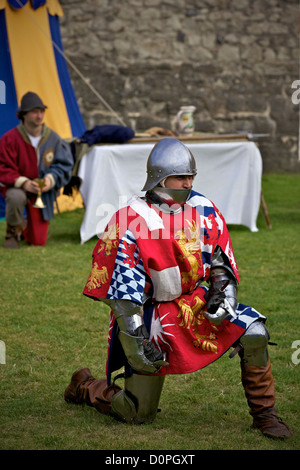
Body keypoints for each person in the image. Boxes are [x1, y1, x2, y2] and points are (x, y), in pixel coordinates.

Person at [64, 138, 292, 439]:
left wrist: (222, 294)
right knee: (137, 414)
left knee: (255, 333)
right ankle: (85, 386)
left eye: (191, 176)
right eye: (181, 177)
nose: (188, 182)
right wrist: (135, 346)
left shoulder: (204, 209)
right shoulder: (130, 220)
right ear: (159, 177)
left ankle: (265, 416)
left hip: (194, 303)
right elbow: (123, 296)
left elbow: (220, 261)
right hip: (150, 315)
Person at [0, 91, 73, 248]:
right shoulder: (10, 138)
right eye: (34, 112)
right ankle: (12, 232)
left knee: (38, 242)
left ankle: (24, 225)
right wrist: (23, 182)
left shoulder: (54, 139)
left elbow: (64, 165)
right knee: (15, 197)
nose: (39, 116)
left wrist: (50, 180)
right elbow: (2, 167)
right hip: (18, 188)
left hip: (42, 192)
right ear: (24, 114)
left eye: (41, 111)